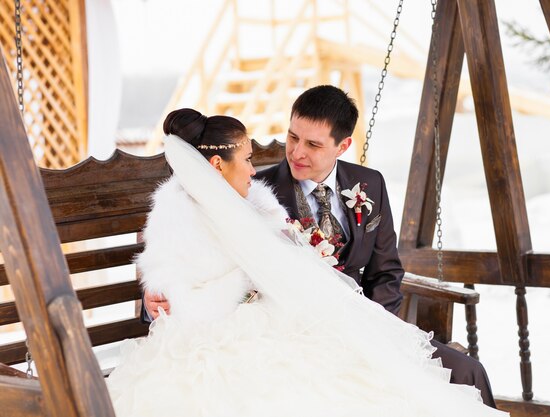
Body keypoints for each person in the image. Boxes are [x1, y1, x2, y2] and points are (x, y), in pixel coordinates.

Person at [110, 108, 507, 417]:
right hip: (266, 330)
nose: (297, 152)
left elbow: (387, 271)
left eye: (314, 145)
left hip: (341, 317)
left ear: (342, 146)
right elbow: (173, 278)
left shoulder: (351, 186)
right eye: (292, 138)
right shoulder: (252, 192)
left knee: (463, 374)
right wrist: (155, 301)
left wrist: (377, 327)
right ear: (216, 165)